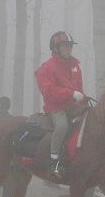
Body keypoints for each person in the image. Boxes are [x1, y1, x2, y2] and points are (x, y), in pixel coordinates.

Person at [35, 31, 85, 178]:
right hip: (56, 108)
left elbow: (80, 88)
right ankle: (54, 161)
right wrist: (70, 94)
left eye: (70, 46)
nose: (68, 49)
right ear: (56, 48)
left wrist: (83, 100)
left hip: (74, 107)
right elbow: (49, 91)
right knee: (62, 126)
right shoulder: (46, 68)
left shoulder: (75, 66)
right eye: (65, 46)